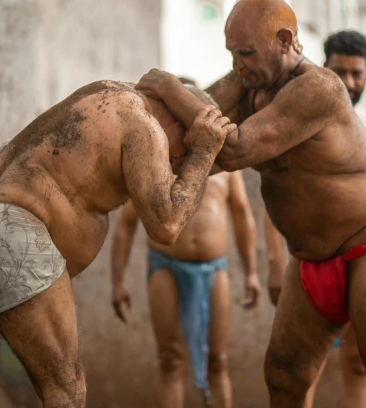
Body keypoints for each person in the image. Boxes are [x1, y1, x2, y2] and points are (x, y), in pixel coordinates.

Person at [136, 0, 366, 408]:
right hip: (310, 260)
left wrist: (168, 85)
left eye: (246, 53)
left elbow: (231, 148)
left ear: (285, 41)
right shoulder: (248, 82)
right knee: (284, 375)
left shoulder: (319, 89)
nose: (237, 64)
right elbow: (191, 127)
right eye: (232, 53)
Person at [0, 80, 235, 408]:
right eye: (182, 149)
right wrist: (202, 152)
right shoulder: (146, 127)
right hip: (12, 236)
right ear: (175, 118)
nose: (178, 161)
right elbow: (167, 224)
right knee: (67, 394)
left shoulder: (101, 92)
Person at [264, 30, 366, 408]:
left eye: (358, 74)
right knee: (301, 370)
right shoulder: (304, 119)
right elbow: (277, 195)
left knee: (361, 364)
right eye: (341, 72)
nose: (351, 83)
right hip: (315, 261)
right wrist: (275, 264)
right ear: (324, 69)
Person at [111, 164, 260, 408]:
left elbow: (242, 213)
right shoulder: (154, 161)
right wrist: (118, 281)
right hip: (165, 267)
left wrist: (252, 273)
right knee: (170, 359)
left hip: (214, 268)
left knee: (218, 361)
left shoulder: (226, 165)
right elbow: (127, 223)